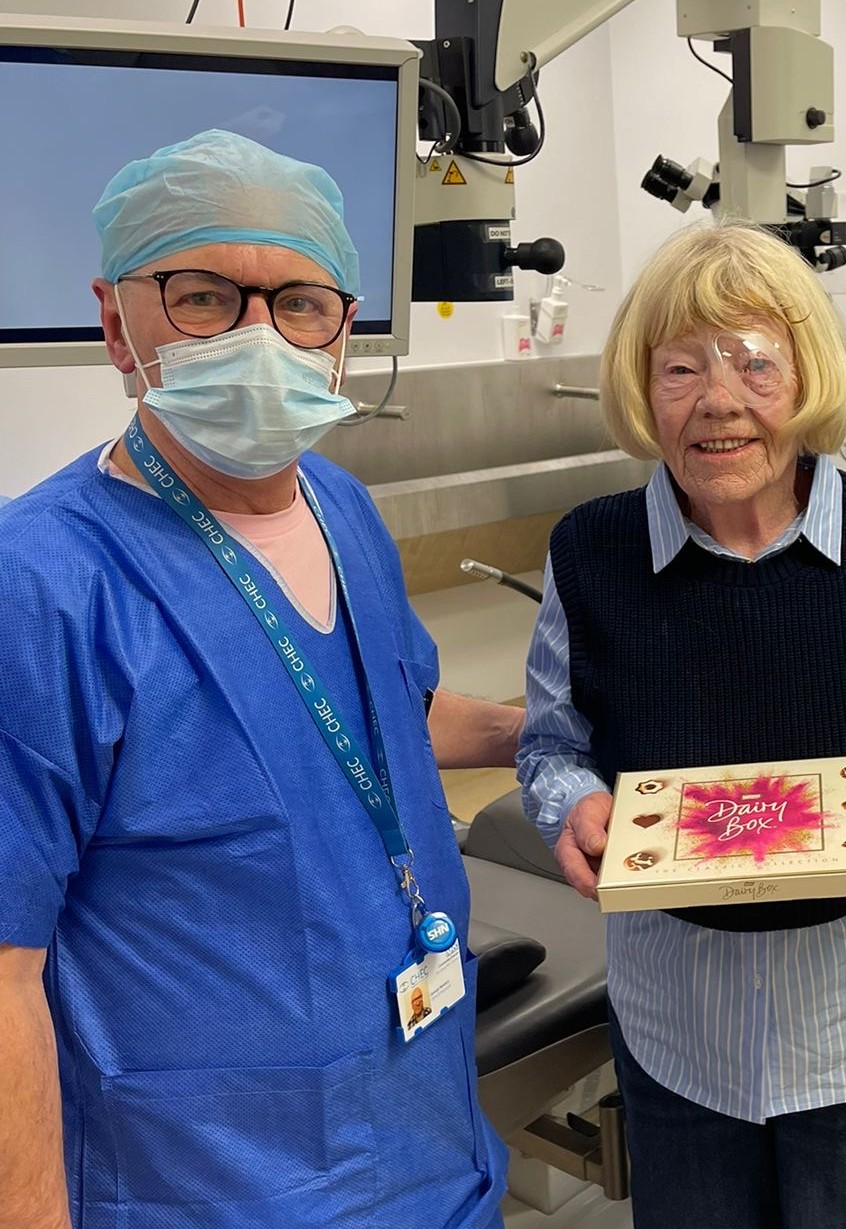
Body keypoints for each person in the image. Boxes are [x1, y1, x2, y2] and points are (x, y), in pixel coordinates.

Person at [0, 130, 521, 1229]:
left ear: (340, 326)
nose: (257, 335)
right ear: (115, 320)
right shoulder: (40, 585)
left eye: (297, 301)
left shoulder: (343, 507)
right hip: (209, 1180)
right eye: (202, 297)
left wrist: (552, 730)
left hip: (424, 1143)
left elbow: (379, 715)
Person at [517, 221, 846, 1229]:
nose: (719, 401)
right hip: (676, 1011)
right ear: (642, 388)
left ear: (808, 375)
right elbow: (551, 740)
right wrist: (574, 803)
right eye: (681, 367)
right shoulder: (591, 551)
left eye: (756, 364)